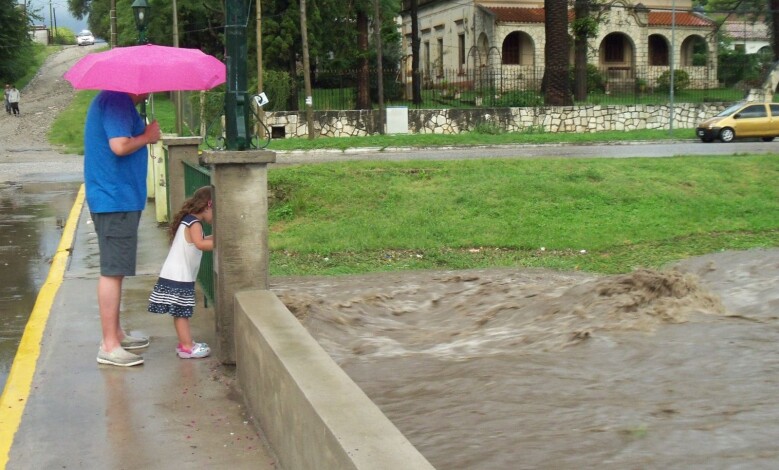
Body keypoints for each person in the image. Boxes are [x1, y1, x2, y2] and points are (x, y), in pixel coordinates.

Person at [85, 90, 161, 367]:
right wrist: (148, 137)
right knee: (113, 270)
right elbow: (119, 146)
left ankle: (116, 334)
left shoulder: (117, 102)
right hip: (114, 198)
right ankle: (109, 345)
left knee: (117, 268)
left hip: (118, 197)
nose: (152, 90)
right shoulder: (116, 100)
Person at [148, 186, 214, 359]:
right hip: (180, 276)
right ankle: (187, 346)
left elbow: (198, 241)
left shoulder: (189, 220)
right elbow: (200, 244)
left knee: (179, 311)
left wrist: (214, 237)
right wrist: (223, 243)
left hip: (176, 274)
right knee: (182, 312)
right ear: (208, 205)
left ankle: (186, 344)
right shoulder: (194, 223)